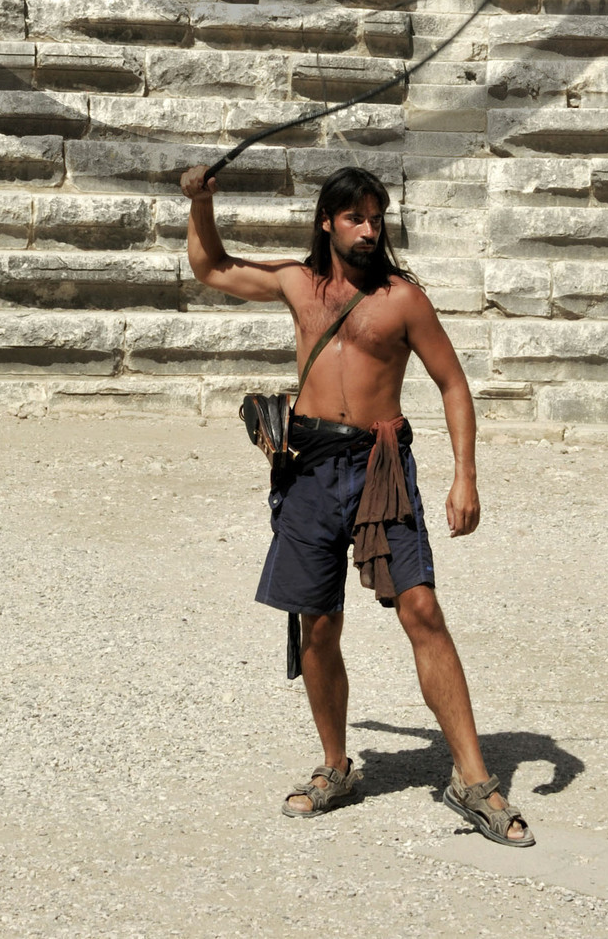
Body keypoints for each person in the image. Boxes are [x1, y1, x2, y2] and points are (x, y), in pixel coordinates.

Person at [180, 160, 534, 844]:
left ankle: (474, 778)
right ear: (328, 221)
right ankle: (338, 765)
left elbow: (453, 385)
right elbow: (213, 267)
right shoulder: (297, 282)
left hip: (380, 464)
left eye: (378, 216)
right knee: (317, 623)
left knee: (422, 607)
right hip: (309, 465)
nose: (371, 229)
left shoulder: (403, 298)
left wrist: (466, 475)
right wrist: (200, 203)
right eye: (357, 217)